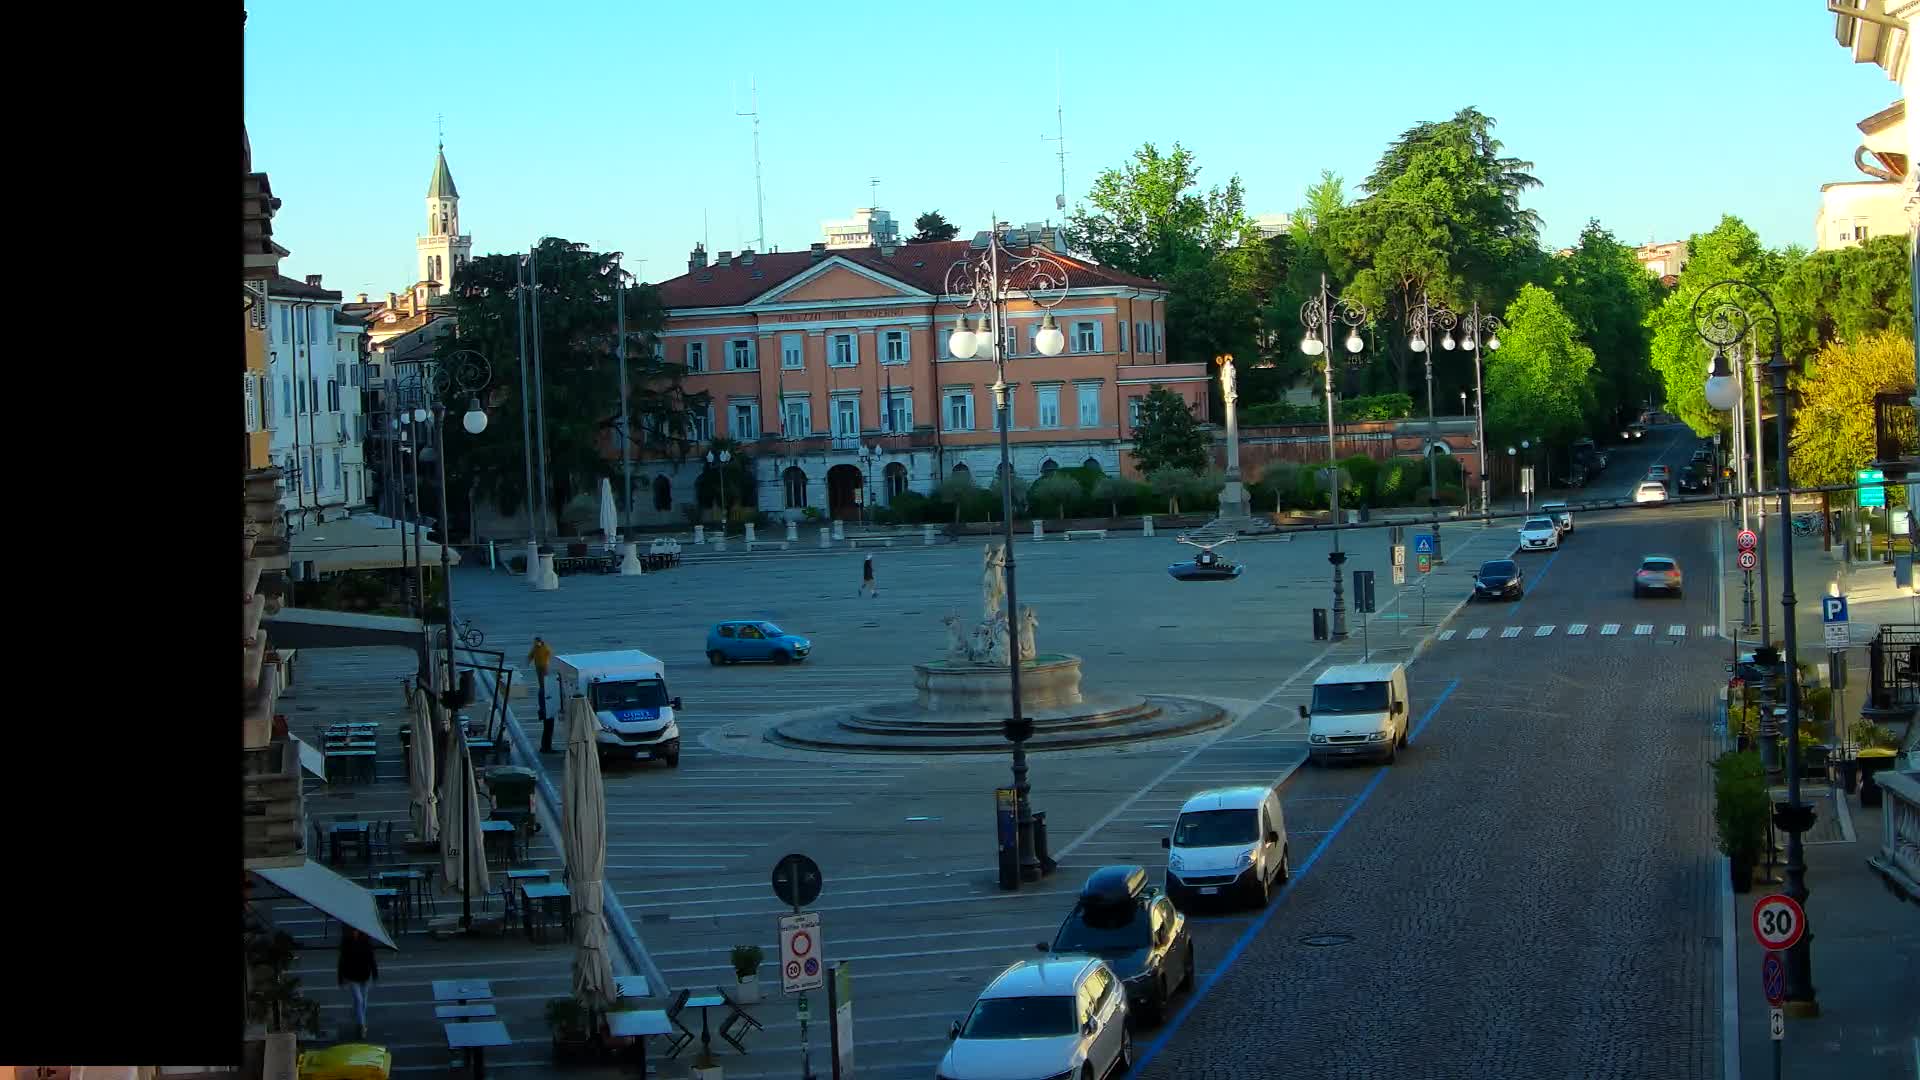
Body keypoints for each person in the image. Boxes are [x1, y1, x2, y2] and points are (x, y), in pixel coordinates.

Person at [337, 926, 378, 1040]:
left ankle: (360, 1020)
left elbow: (371, 958)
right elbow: (342, 960)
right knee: (359, 1000)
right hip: (352, 976)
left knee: (362, 1001)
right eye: (351, 931)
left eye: (355, 931)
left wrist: (374, 973)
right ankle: (362, 1025)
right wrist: (340, 977)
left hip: (365, 975)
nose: (354, 933)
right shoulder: (346, 942)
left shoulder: (366, 941)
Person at [529, 635, 555, 752]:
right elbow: (531, 655)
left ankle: (546, 747)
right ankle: (546, 747)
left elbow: (549, 653)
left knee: (548, 729)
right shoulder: (543, 690)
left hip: (543, 665)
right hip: (540, 666)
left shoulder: (544, 648)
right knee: (548, 729)